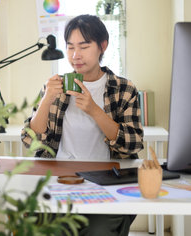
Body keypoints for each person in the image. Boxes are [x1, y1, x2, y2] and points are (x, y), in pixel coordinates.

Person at [21, 14, 144, 236]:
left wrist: (94, 111)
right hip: (59, 184)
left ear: (102, 46)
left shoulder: (124, 89)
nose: (75, 55)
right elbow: (30, 139)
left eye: (84, 47)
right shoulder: (54, 86)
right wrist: (47, 98)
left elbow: (133, 144)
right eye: (70, 47)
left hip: (105, 186)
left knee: (100, 231)